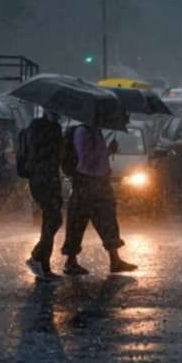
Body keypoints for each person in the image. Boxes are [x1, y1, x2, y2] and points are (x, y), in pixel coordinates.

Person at [62, 124, 138, 275]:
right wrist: (105, 153)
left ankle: (115, 260)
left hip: (99, 183)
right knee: (77, 223)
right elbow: (86, 160)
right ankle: (70, 262)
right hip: (87, 183)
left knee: (108, 221)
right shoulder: (83, 132)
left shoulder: (95, 131)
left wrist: (109, 151)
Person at [24, 111, 64, 281]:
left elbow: (58, 157)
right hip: (42, 178)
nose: (58, 115)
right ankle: (40, 261)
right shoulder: (39, 127)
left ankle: (39, 259)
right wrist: (57, 141)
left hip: (51, 178)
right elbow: (40, 152)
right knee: (52, 218)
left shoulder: (55, 128)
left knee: (54, 219)